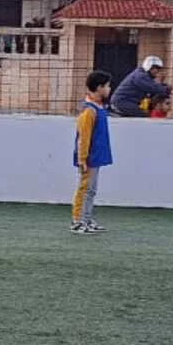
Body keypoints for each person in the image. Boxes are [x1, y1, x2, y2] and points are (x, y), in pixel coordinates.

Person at [72, 70, 114, 234]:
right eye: (108, 86)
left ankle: (87, 219)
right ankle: (77, 221)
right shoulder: (89, 111)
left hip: (95, 157)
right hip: (89, 158)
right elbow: (84, 137)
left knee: (91, 190)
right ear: (99, 87)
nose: (109, 89)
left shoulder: (98, 108)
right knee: (85, 189)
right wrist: (82, 159)